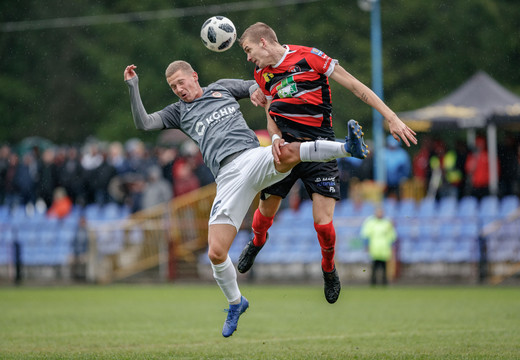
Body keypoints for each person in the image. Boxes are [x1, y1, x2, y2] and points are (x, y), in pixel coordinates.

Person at [123, 60, 367, 337]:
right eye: (173, 86)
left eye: (181, 82)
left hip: (252, 157)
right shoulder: (177, 112)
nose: (179, 89)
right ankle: (236, 302)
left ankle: (348, 148)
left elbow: (256, 86)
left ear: (194, 76)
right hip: (227, 178)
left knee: (285, 151)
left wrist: (255, 91)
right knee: (216, 252)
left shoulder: (222, 88)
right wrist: (133, 85)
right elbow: (144, 123)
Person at [236, 22, 417, 303]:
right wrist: (273, 139)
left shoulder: (310, 57)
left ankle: (329, 269)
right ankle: (257, 242)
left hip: (320, 149)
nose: (248, 58)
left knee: (322, 223)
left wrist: (391, 117)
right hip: (285, 149)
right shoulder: (261, 74)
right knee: (265, 213)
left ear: (263, 42)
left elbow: (356, 86)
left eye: (248, 49)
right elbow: (271, 113)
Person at [360, 205, 396, 286]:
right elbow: (365, 234)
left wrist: (391, 245)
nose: (379, 213)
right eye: (378, 212)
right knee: (374, 267)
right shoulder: (370, 222)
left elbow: (392, 235)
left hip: (384, 249)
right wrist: (367, 245)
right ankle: (373, 283)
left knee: (384, 267)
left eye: (381, 212)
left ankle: (384, 283)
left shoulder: (387, 223)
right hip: (374, 248)